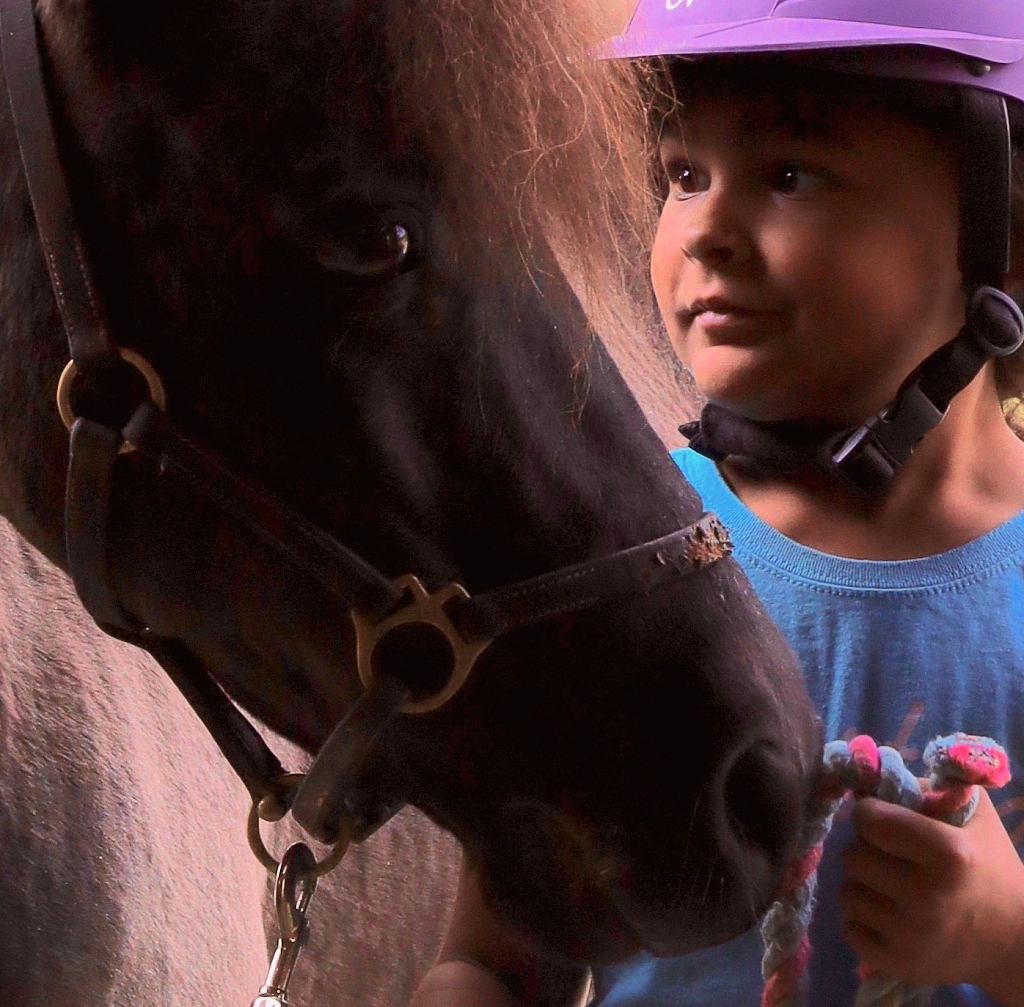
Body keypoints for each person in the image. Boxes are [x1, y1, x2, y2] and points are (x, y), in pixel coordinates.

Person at [410, 3, 1024, 1005]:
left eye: (787, 173)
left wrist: (1004, 936)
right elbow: (493, 958)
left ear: (1003, 226)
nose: (702, 230)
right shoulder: (609, 552)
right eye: (681, 175)